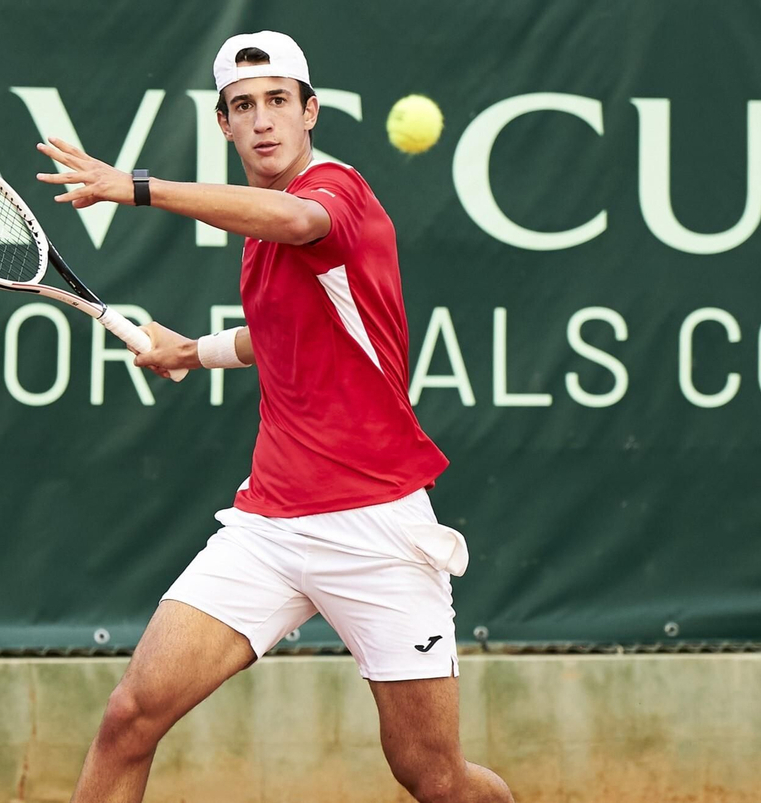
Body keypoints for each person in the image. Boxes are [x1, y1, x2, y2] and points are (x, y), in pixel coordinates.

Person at [33, 30, 514, 803]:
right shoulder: (264, 224)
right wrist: (193, 351)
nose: (262, 120)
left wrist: (135, 186)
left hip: (379, 526)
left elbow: (294, 223)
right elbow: (286, 332)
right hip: (271, 525)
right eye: (243, 106)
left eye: (278, 102)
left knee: (433, 776)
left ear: (310, 111)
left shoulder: (334, 193)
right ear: (223, 123)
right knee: (130, 716)